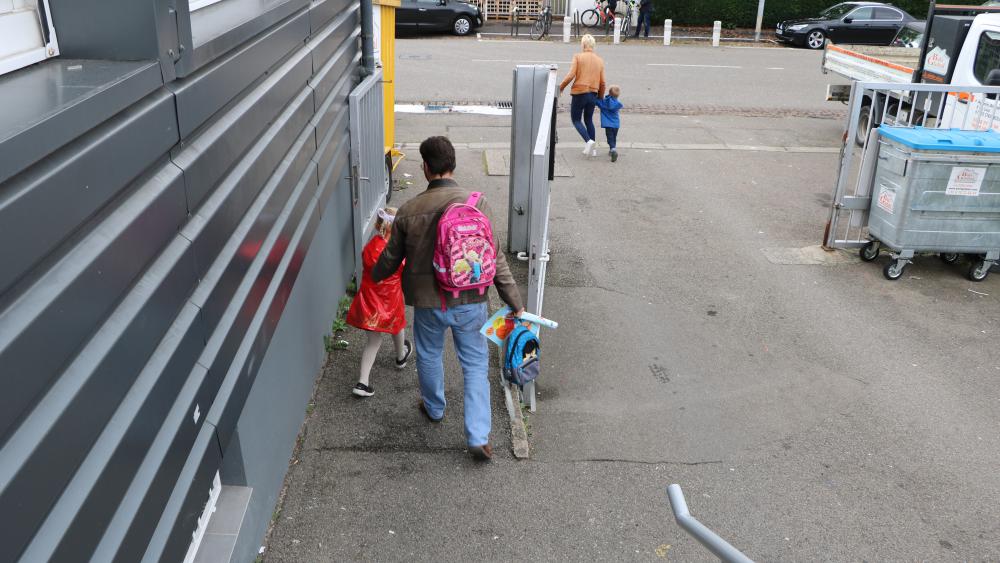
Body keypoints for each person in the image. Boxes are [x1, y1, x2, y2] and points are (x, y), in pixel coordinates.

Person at [371, 136, 524, 462]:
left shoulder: (410, 210)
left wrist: (372, 277)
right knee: (474, 364)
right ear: (452, 164)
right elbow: (495, 260)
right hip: (470, 300)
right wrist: (515, 302)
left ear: (426, 168)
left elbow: (389, 260)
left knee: (428, 354)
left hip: (428, 303)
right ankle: (479, 436)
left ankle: (435, 407)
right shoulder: (476, 204)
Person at [346, 207, 412, 398]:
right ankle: (400, 356)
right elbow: (403, 269)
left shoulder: (371, 245)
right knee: (397, 324)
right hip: (390, 299)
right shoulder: (397, 250)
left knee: (373, 341)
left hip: (369, 300)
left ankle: (362, 382)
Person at [559, 34, 606, 157]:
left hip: (579, 92)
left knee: (576, 120)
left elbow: (570, 75)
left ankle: (588, 141)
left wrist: (561, 87)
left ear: (583, 45)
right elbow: (603, 83)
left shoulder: (578, 57)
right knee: (589, 120)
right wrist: (600, 98)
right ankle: (593, 150)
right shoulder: (599, 60)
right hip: (593, 94)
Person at [596, 85, 623, 162]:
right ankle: (612, 149)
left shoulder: (605, 102)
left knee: (609, 139)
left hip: (608, 125)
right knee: (614, 137)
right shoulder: (617, 103)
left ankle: (613, 150)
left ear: (609, 93)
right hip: (616, 125)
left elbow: (597, 102)